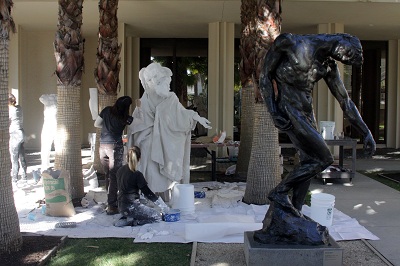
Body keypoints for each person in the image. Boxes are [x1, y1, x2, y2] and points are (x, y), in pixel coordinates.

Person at [259, 33, 376, 216]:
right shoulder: (290, 42)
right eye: (348, 55)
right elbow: (265, 76)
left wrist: (366, 132)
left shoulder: (328, 66)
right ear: (341, 44)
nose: (345, 60)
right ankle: (279, 191)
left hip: (307, 114)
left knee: (308, 160)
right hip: (289, 110)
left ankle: (295, 211)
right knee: (324, 159)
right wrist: (273, 111)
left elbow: (345, 101)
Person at [128, 62, 212, 194]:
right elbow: (136, 123)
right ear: (155, 83)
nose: (168, 86)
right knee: (147, 156)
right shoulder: (144, 100)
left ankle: (164, 193)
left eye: (168, 83)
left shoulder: (171, 98)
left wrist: (197, 117)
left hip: (165, 139)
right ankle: (148, 193)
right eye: (166, 83)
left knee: (167, 156)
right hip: (146, 141)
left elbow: (182, 113)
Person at [94, 96, 133, 215]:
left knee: (108, 175)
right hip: (115, 147)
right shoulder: (126, 118)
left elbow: (97, 124)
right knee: (115, 176)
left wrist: (107, 126)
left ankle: (110, 201)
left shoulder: (106, 110)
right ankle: (112, 205)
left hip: (103, 146)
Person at [114, 146, 168, 227]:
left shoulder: (120, 170)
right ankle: (133, 222)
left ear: (126, 157)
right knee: (157, 217)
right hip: (131, 207)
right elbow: (147, 193)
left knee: (144, 203)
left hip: (121, 206)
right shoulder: (137, 174)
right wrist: (162, 205)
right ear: (139, 159)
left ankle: (127, 217)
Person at [8, 93, 28, 183]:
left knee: (14, 157)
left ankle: (15, 178)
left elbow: (7, 120)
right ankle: (24, 175)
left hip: (14, 134)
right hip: (21, 132)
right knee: (21, 155)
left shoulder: (11, 111)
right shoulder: (19, 108)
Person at [39, 94, 57, 171]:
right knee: (46, 148)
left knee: (57, 147)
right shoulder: (51, 100)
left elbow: (42, 98)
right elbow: (41, 98)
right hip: (49, 125)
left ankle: (47, 165)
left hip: (53, 125)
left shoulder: (50, 100)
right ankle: (45, 166)